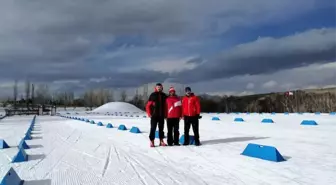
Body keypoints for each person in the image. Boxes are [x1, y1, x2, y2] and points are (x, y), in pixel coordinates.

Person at [146, 83, 168, 147]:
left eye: (160, 87)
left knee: (161, 129)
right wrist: (149, 113)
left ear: (162, 88)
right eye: (158, 87)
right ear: (156, 88)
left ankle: (161, 141)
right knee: (153, 128)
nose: (159, 88)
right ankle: (152, 141)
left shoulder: (164, 95)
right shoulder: (153, 95)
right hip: (154, 116)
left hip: (161, 116)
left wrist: (166, 115)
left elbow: (167, 106)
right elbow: (148, 105)